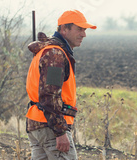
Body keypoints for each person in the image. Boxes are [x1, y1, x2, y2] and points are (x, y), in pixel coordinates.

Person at [25, 9, 96, 160]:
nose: (84, 34)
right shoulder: (55, 55)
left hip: (38, 124)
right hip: (50, 127)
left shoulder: (48, 51)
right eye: (79, 29)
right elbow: (50, 95)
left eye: (84, 29)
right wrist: (60, 131)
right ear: (64, 29)